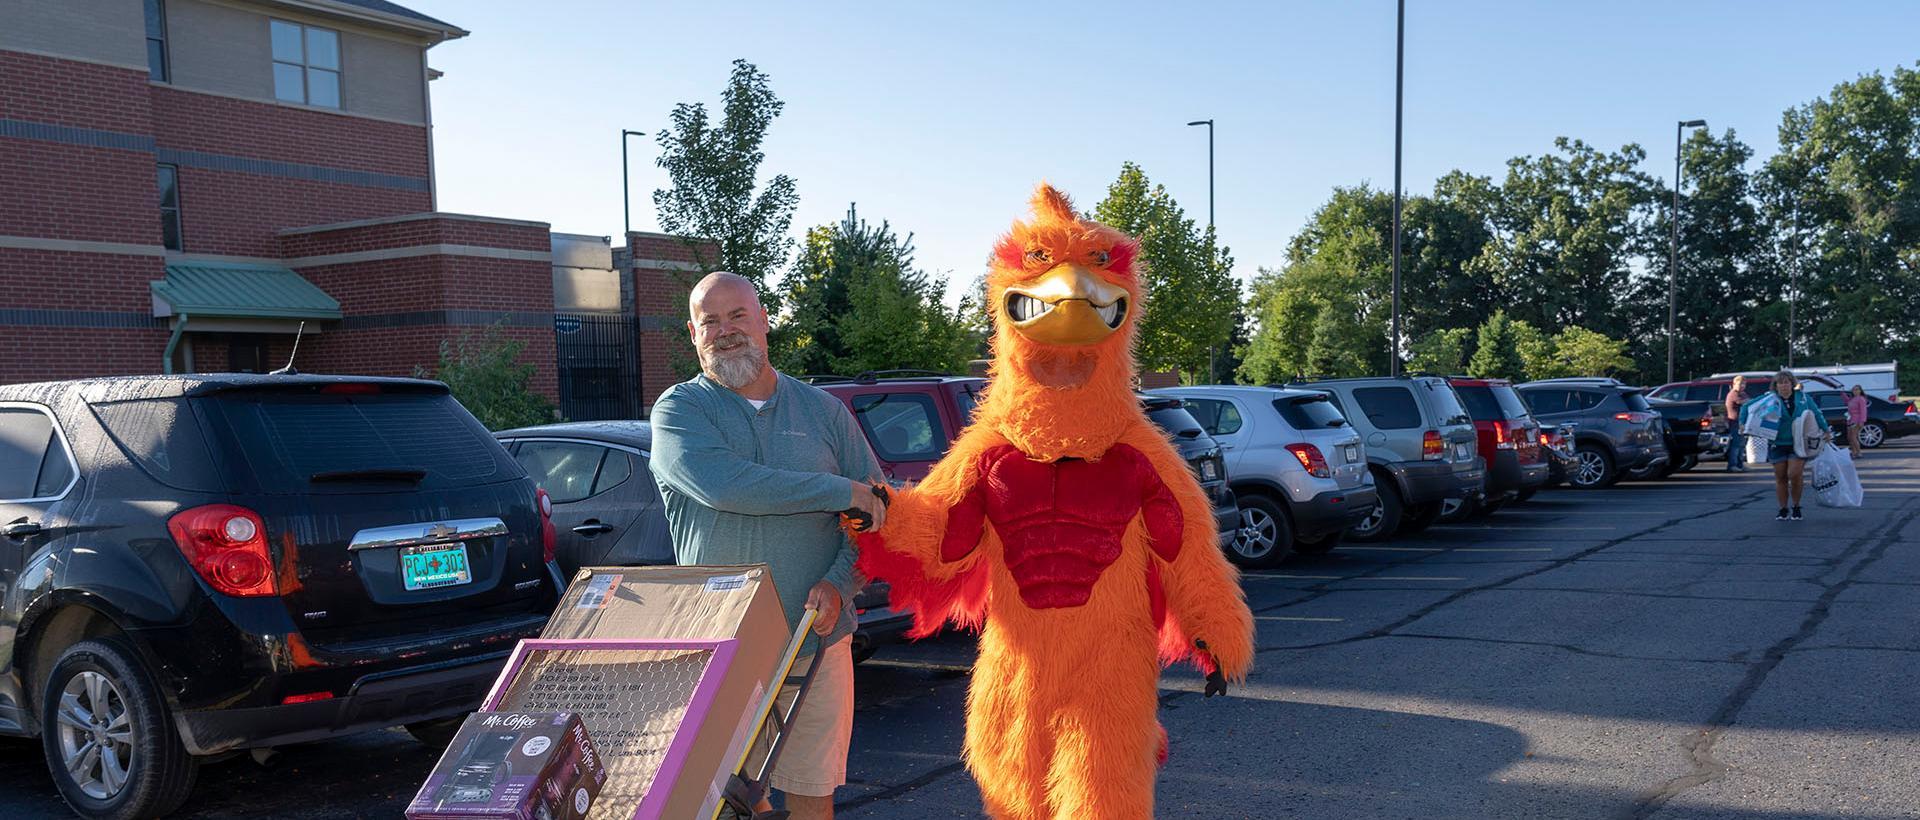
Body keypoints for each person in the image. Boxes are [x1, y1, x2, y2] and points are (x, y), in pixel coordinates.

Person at [648, 271, 886, 820]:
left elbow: (876, 516)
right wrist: (837, 489)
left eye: (738, 316)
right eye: (711, 321)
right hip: (717, 649)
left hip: (817, 645)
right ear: (692, 333)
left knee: (810, 796)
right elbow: (724, 484)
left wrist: (841, 583)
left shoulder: (824, 412)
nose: (726, 331)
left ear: (764, 321)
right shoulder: (680, 410)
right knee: (724, 802)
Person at [1739, 370, 1829, 521]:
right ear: (1776, 385)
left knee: (1794, 474)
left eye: (1786, 382)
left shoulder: (1803, 398)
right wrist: (1742, 423)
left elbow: (1816, 413)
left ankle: (1796, 505)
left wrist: (1825, 430)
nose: (1784, 386)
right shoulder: (1769, 398)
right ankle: (1783, 508)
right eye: (1780, 383)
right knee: (1781, 478)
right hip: (1777, 442)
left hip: (1798, 443)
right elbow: (1746, 407)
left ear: (1792, 384)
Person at [1724, 375, 1749, 471]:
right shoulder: (1734, 394)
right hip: (1735, 422)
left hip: (1742, 422)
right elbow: (1747, 402)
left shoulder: (1742, 393)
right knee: (1736, 444)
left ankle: (1740, 464)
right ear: (1734, 384)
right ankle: (1732, 465)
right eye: (1740, 384)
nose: (1742, 386)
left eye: (1744, 384)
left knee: (1742, 445)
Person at [1846, 385, 1870, 458]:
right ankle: (1854, 452)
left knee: (1853, 436)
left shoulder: (1861, 399)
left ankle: (1858, 452)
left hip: (1857, 420)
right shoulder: (1852, 399)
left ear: (1860, 391)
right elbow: (1846, 401)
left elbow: (1863, 411)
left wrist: (1862, 421)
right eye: (1854, 390)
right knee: (1849, 437)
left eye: (1857, 390)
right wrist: (1842, 393)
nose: (1855, 391)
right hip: (1850, 420)